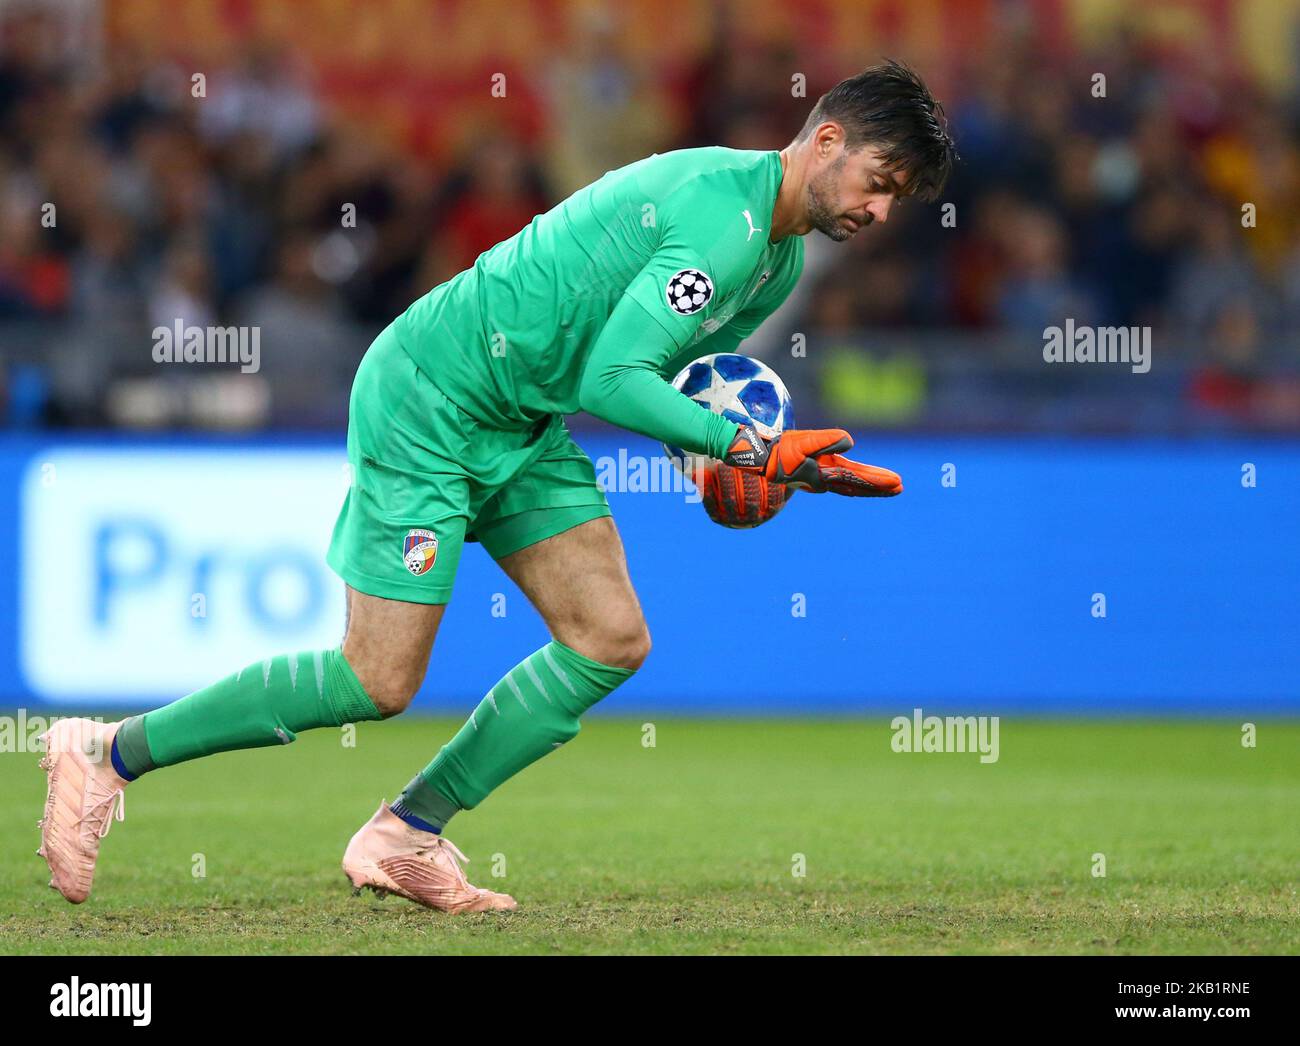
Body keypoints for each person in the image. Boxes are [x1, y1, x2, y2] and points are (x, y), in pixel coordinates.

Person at [38, 60, 954, 913]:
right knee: (376, 679)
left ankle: (404, 832)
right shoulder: (727, 217)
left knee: (610, 638)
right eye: (880, 181)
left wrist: (718, 459)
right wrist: (752, 450)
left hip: (522, 418)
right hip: (433, 393)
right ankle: (107, 753)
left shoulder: (776, 260)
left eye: (898, 201)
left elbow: (661, 379)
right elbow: (610, 381)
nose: (880, 212)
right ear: (826, 140)